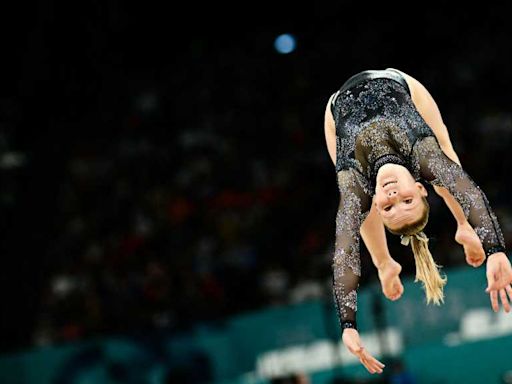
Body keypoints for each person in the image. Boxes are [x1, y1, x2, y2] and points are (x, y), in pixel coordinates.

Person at [323, 67, 512, 375]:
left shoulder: (355, 180)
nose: (393, 194)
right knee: (446, 161)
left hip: (336, 110)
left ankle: (385, 263)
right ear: (420, 188)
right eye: (407, 200)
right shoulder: (422, 154)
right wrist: (496, 250)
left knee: (355, 204)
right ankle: (463, 227)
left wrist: (348, 325)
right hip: (399, 83)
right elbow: (470, 192)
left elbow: (344, 253)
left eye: (388, 206)